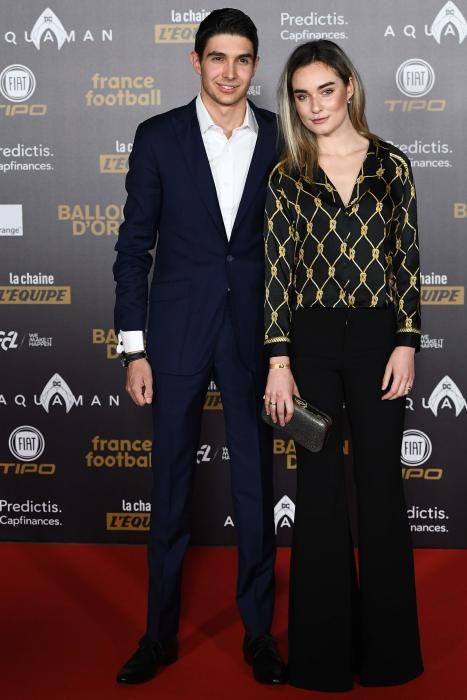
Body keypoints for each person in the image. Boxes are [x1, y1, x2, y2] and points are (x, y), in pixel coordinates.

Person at [113, 8, 286, 687]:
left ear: (254, 65)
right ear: (195, 61)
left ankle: (258, 636)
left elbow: (291, 249)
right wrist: (134, 348)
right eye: (217, 57)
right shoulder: (157, 137)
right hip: (174, 336)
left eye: (243, 59)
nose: (229, 71)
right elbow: (133, 248)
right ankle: (157, 636)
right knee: (171, 489)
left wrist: (285, 350)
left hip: (253, 334)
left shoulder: (278, 136)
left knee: (254, 486)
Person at [263, 40, 423, 692]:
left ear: (348, 87)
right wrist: (278, 361)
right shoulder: (286, 176)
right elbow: (277, 276)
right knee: (321, 495)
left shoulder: (392, 167)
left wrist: (406, 341)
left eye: (324, 90)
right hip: (312, 342)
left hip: (381, 336)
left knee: (381, 488)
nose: (313, 106)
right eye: (301, 96)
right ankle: (320, 659)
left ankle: (389, 656)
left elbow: (405, 261)